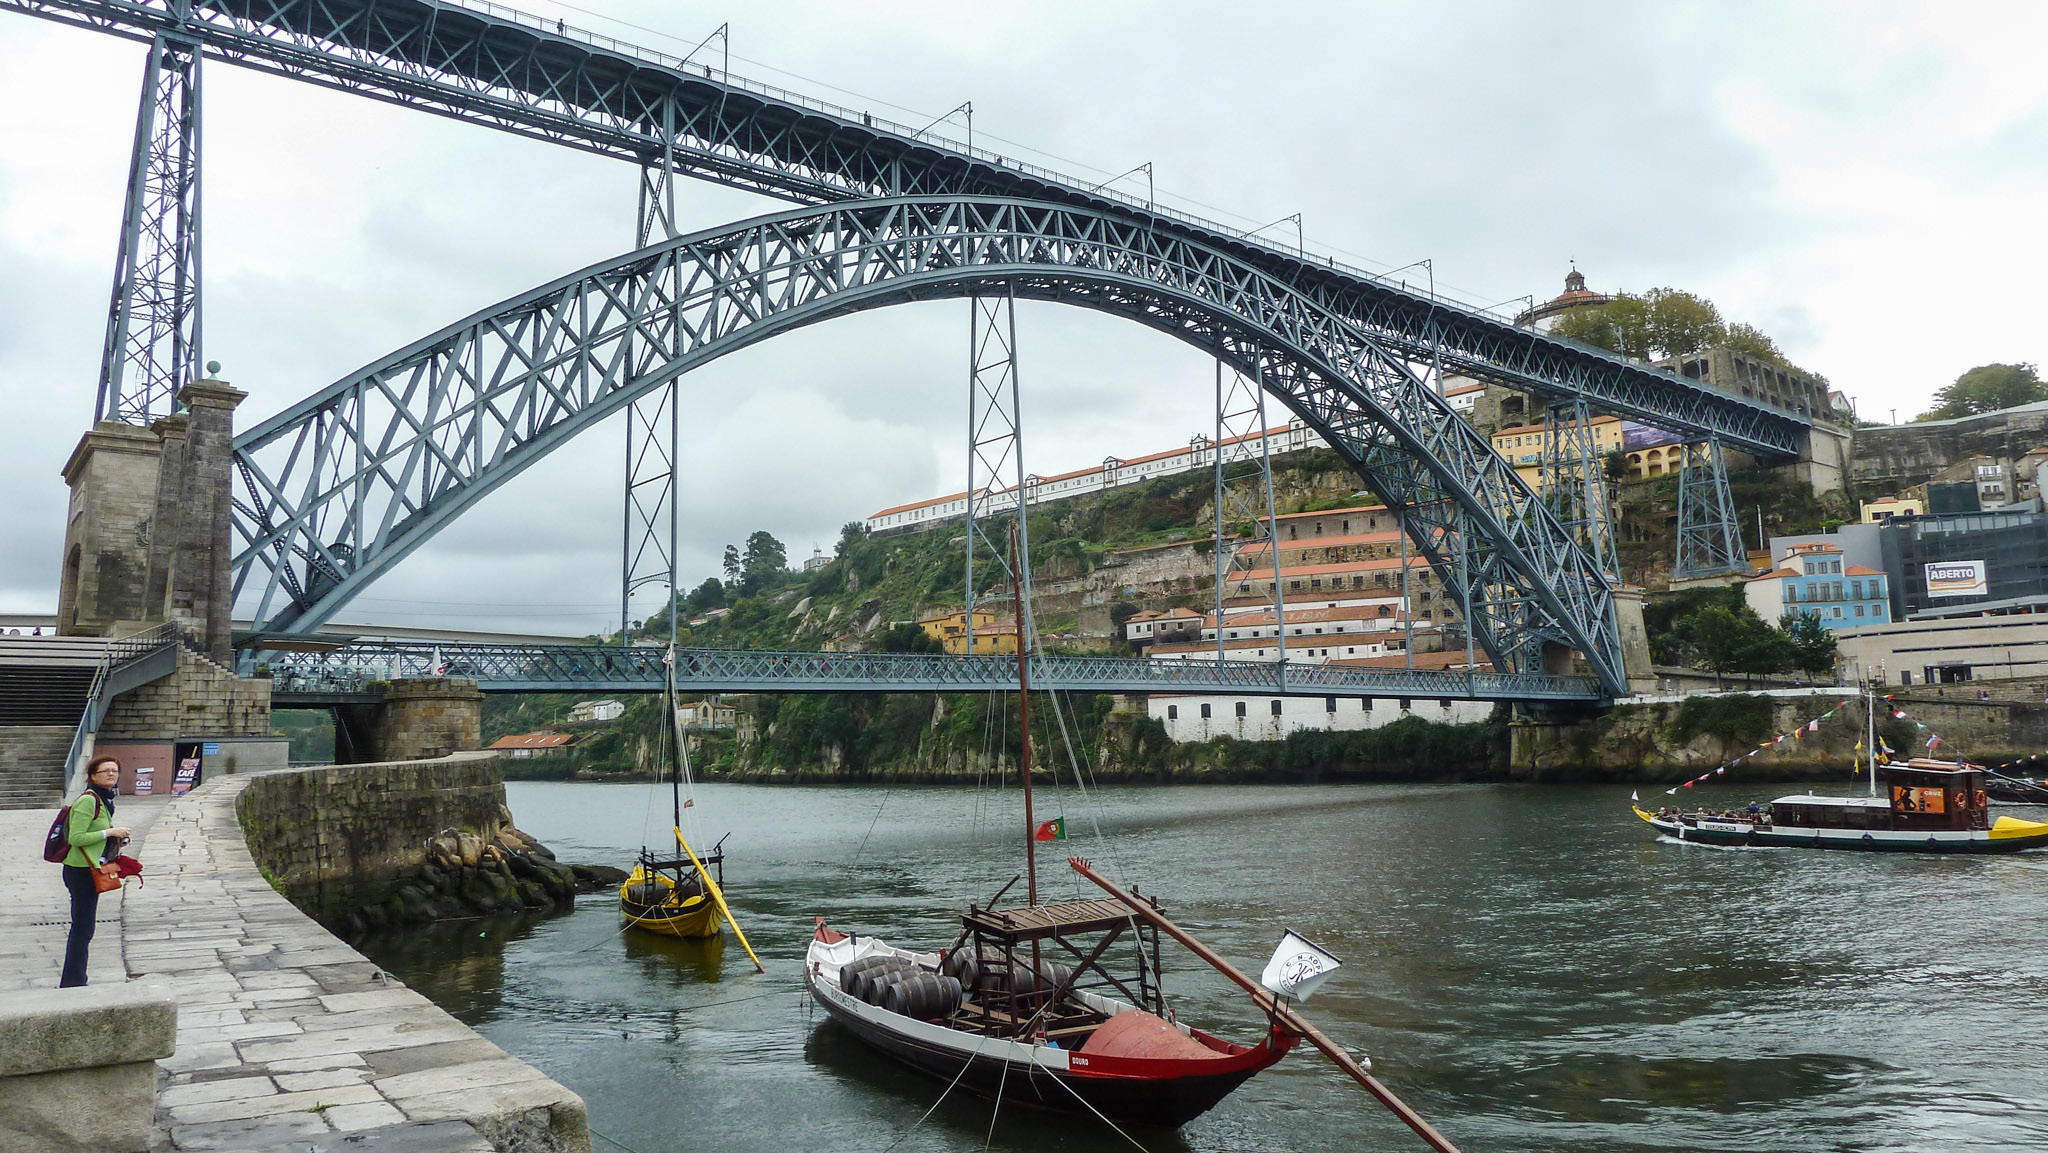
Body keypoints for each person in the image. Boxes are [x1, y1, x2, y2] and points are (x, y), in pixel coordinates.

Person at [59, 756, 131, 988]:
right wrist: (109, 833)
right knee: (82, 927)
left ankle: (76, 978)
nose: (111, 774)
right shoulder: (89, 801)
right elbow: (76, 838)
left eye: (115, 770)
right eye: (105, 771)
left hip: (90, 868)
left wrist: (116, 838)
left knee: (85, 927)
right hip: (80, 871)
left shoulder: (104, 799)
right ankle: (72, 982)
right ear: (92, 776)